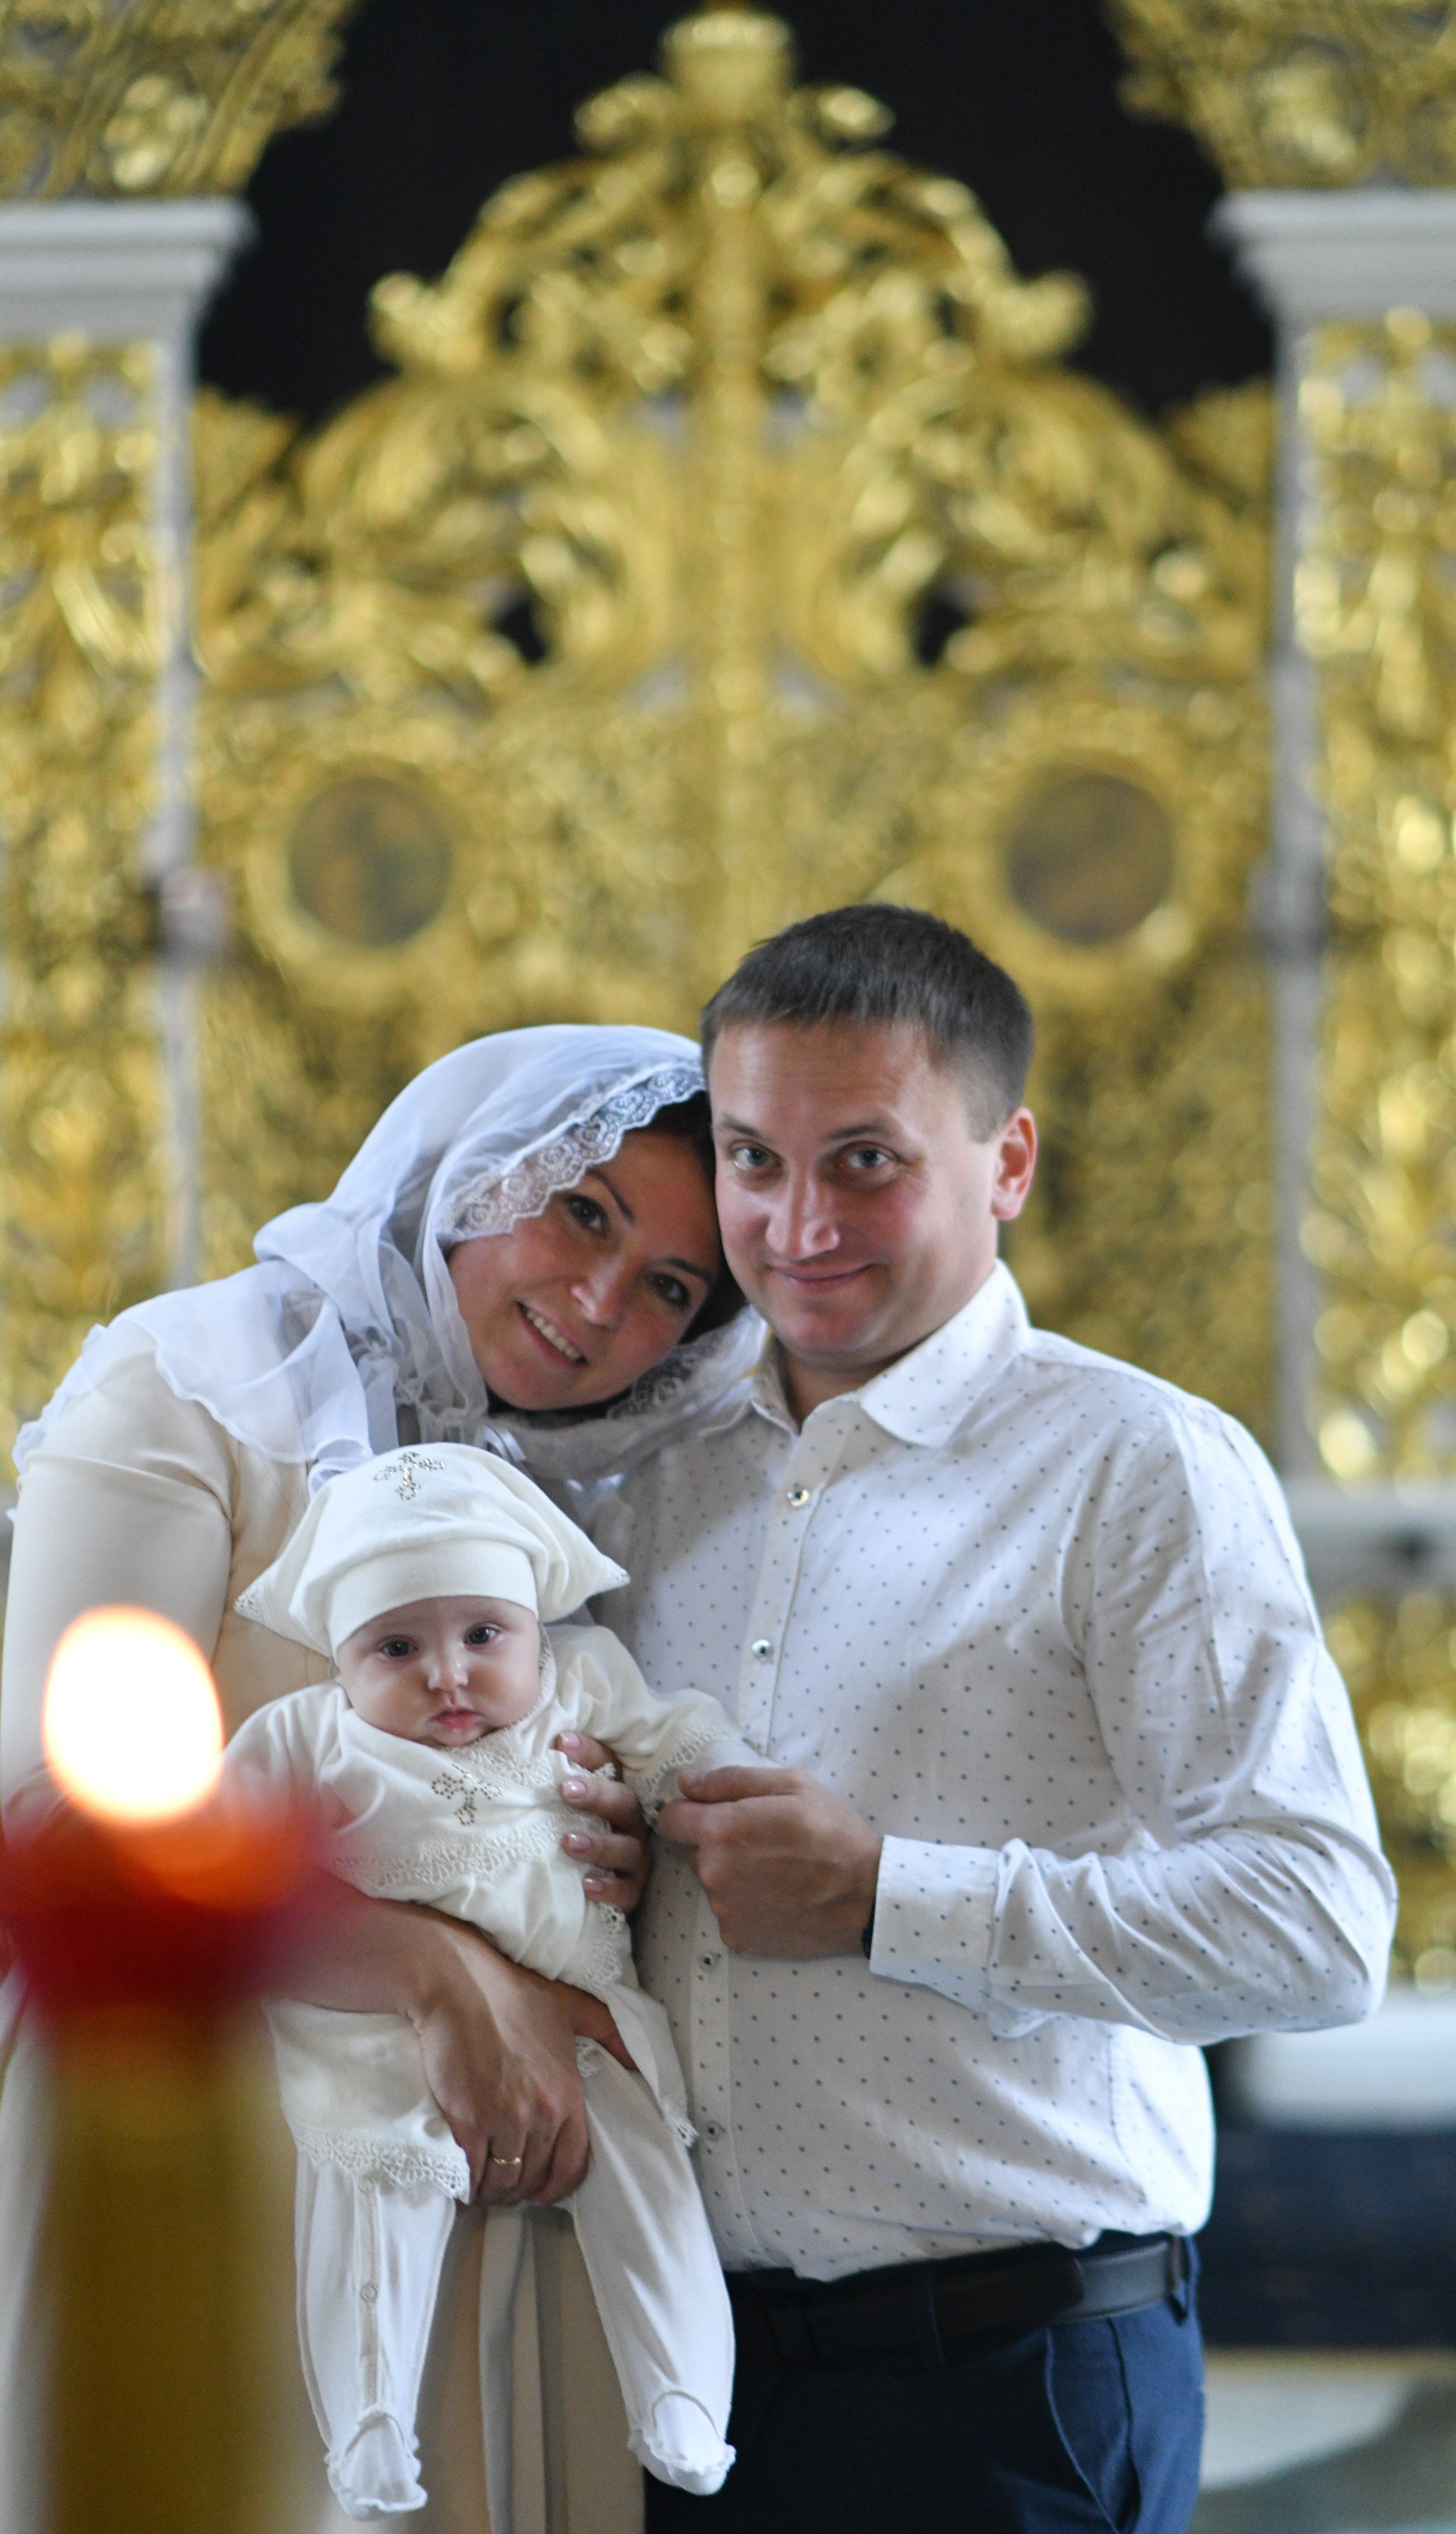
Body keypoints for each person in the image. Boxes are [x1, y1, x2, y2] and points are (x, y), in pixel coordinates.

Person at [0, 1024, 763, 2534]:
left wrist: (612, 1841)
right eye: (584, 1213)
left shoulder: (579, 1481)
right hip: (172, 2117)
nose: (598, 1302)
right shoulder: (197, 1389)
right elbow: (66, 1828)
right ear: (477, 1171)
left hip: (474, 2166)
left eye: (668, 1288)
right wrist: (437, 1970)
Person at [588, 905, 1396, 2534]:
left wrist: (890, 1895)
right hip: (666, 2370)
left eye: (864, 1161)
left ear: (1005, 1160)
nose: (795, 1222)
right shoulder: (633, 1471)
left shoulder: (1138, 1467)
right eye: (751, 1158)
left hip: (1000, 2382)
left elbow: (1317, 1927)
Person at [228, 1443, 753, 2518]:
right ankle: (370, 2415)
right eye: (396, 1647)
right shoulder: (303, 1738)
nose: (449, 1674)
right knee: (374, 2189)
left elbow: (675, 1744)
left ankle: (684, 2395)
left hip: (586, 2008)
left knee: (649, 2177)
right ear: (341, 1664)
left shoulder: (584, 1679)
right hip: (381, 2032)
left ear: (533, 1628)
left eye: (482, 1635)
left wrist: (698, 1796)